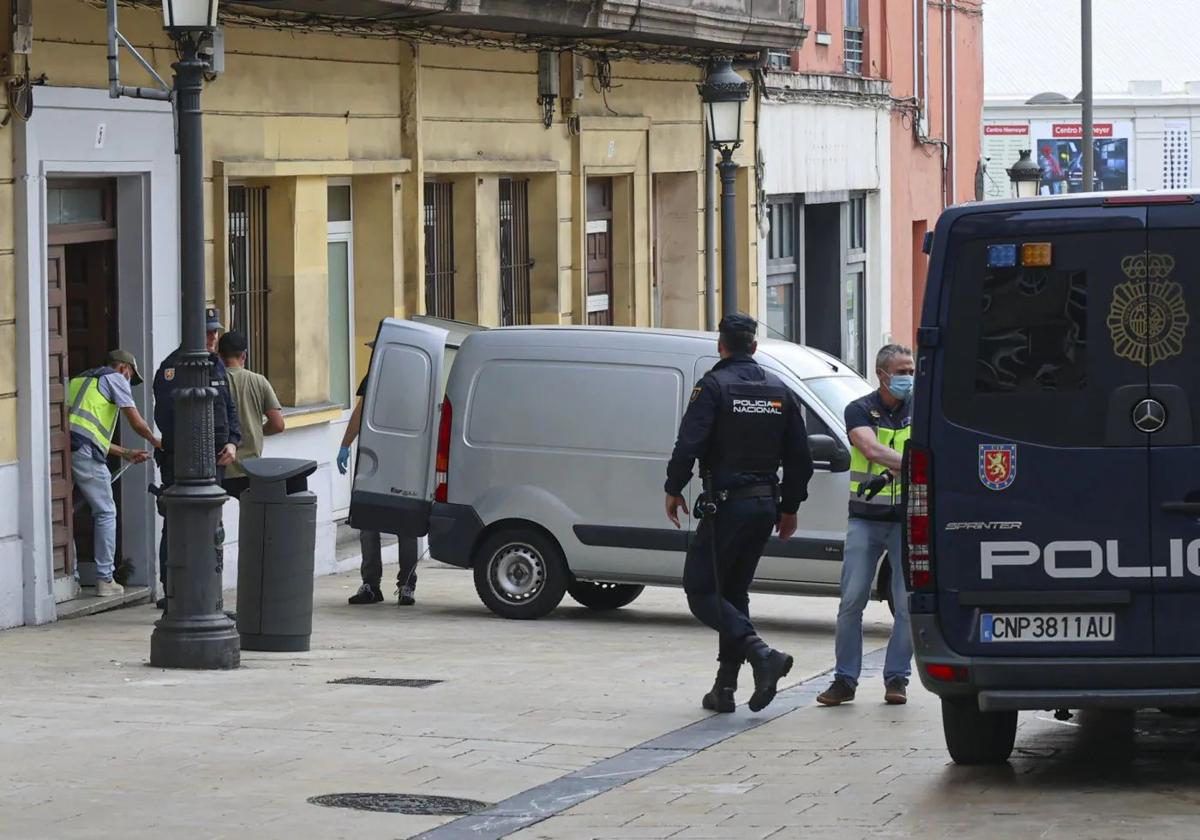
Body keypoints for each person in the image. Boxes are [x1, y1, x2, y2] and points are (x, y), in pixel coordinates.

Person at [665, 313, 814, 714]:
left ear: (721, 346)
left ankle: (762, 654)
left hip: (728, 504)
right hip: (765, 505)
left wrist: (673, 487)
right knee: (731, 592)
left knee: (699, 590)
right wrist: (790, 507)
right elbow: (801, 458)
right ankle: (725, 687)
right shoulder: (780, 390)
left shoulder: (713, 386)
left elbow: (688, 444)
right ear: (754, 347)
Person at [817, 344, 914, 707]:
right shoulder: (858, 409)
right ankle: (845, 680)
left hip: (908, 520)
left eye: (912, 370)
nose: (909, 378)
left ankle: (897, 679)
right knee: (851, 600)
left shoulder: (921, 407)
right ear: (883, 374)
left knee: (906, 606)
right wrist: (918, 463)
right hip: (865, 519)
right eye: (902, 371)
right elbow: (871, 450)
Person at [152, 307, 241, 608]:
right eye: (207, 332)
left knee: (212, 526)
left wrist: (232, 443)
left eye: (216, 331)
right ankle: (172, 589)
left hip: (216, 460)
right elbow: (165, 417)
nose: (214, 337)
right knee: (176, 524)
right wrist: (191, 448)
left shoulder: (216, 366)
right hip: (183, 461)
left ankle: (209, 591)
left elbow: (229, 409)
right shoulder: (172, 368)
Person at [68, 350, 161, 596]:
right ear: (123, 369)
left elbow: (86, 432)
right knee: (106, 511)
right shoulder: (116, 378)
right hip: (86, 455)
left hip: (65, 452)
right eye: (130, 377)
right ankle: (104, 579)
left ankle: (71, 578)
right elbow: (136, 421)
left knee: (64, 515)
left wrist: (126, 453)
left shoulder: (79, 381)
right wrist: (156, 441)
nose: (128, 383)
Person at [339, 366, 421, 607]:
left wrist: (345, 444)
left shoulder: (384, 373)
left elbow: (360, 411)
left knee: (375, 522)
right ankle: (400, 586)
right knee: (393, 524)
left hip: (385, 459)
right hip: (396, 460)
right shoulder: (417, 375)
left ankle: (377, 585)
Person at [217, 331, 285, 499]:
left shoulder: (213, 381)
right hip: (251, 468)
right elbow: (278, 424)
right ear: (244, 355)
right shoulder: (258, 381)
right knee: (252, 516)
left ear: (219, 355)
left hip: (220, 466)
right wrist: (258, 429)